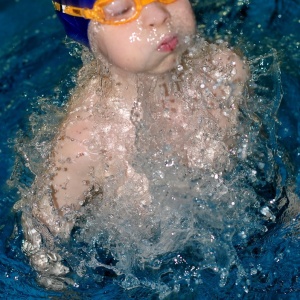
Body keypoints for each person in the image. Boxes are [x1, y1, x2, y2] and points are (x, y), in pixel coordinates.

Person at [18, 0, 249, 290]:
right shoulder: (86, 141)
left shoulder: (225, 71)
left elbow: (264, 164)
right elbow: (41, 234)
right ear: (84, 30)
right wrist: (58, 289)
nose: (158, 15)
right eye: (122, 9)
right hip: (130, 278)